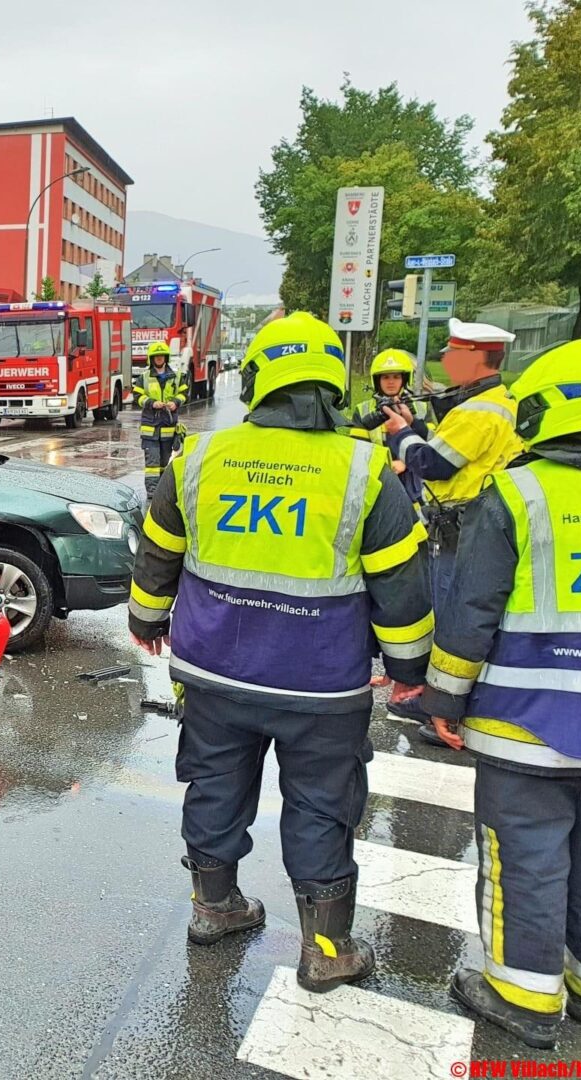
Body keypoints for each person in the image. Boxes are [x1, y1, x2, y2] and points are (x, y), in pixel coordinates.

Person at [128, 312, 431, 994]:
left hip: (213, 674)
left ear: (260, 380)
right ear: (332, 385)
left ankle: (214, 909)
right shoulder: (364, 469)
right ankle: (326, 948)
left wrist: (146, 618)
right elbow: (402, 585)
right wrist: (411, 673)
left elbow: (159, 549)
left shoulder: (201, 457)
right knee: (322, 805)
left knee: (214, 785)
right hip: (320, 685)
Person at [414, 339, 581, 1050]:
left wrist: (444, 701)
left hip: (526, 726)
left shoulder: (521, 493)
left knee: (524, 858)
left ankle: (523, 996)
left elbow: (472, 612)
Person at [383, 320, 524, 740]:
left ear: (474, 359)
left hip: (461, 526)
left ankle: (440, 709)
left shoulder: (477, 411)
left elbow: (435, 465)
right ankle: (439, 699)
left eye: (453, 353)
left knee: (451, 618)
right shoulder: (497, 401)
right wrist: (420, 430)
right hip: (472, 522)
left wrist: (402, 434)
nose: (445, 359)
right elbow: (453, 452)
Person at [135, 341, 189, 499]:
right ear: (151, 359)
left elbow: (184, 394)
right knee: (152, 463)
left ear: (166, 357)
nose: (159, 359)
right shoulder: (143, 378)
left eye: (161, 356)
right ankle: (152, 493)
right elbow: (138, 397)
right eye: (156, 356)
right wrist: (152, 403)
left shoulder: (177, 377)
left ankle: (162, 491)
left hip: (168, 428)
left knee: (164, 463)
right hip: (150, 429)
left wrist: (176, 402)